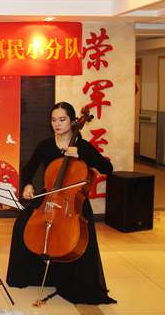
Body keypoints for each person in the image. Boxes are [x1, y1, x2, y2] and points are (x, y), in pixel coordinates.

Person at [6, 101, 116, 305]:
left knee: (77, 237)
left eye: (62, 120)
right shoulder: (46, 145)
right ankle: (32, 275)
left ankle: (73, 279)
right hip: (49, 197)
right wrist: (27, 184)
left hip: (73, 204)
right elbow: (29, 168)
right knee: (21, 225)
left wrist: (81, 155)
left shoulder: (82, 146)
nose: (57, 124)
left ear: (73, 122)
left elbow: (107, 168)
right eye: (53, 120)